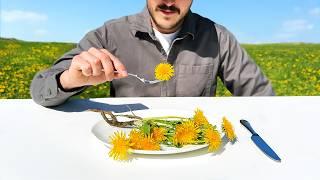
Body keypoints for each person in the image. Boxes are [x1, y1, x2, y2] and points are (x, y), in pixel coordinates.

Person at [30, 0, 275, 107]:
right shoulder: (110, 34)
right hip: (129, 149)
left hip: (195, 150)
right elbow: (40, 90)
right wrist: (70, 80)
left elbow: (263, 97)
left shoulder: (218, 38)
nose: (168, 1)